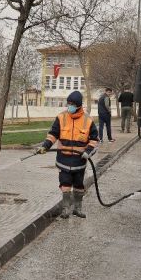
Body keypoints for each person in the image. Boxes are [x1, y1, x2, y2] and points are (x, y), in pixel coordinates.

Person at [36, 91, 99, 219]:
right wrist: (45, 146)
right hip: (63, 160)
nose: (69, 106)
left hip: (79, 161)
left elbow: (94, 140)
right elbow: (53, 134)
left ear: (79, 105)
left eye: (72, 104)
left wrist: (88, 152)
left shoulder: (87, 120)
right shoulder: (61, 117)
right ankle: (65, 209)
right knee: (65, 184)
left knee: (79, 185)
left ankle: (77, 208)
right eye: (68, 103)